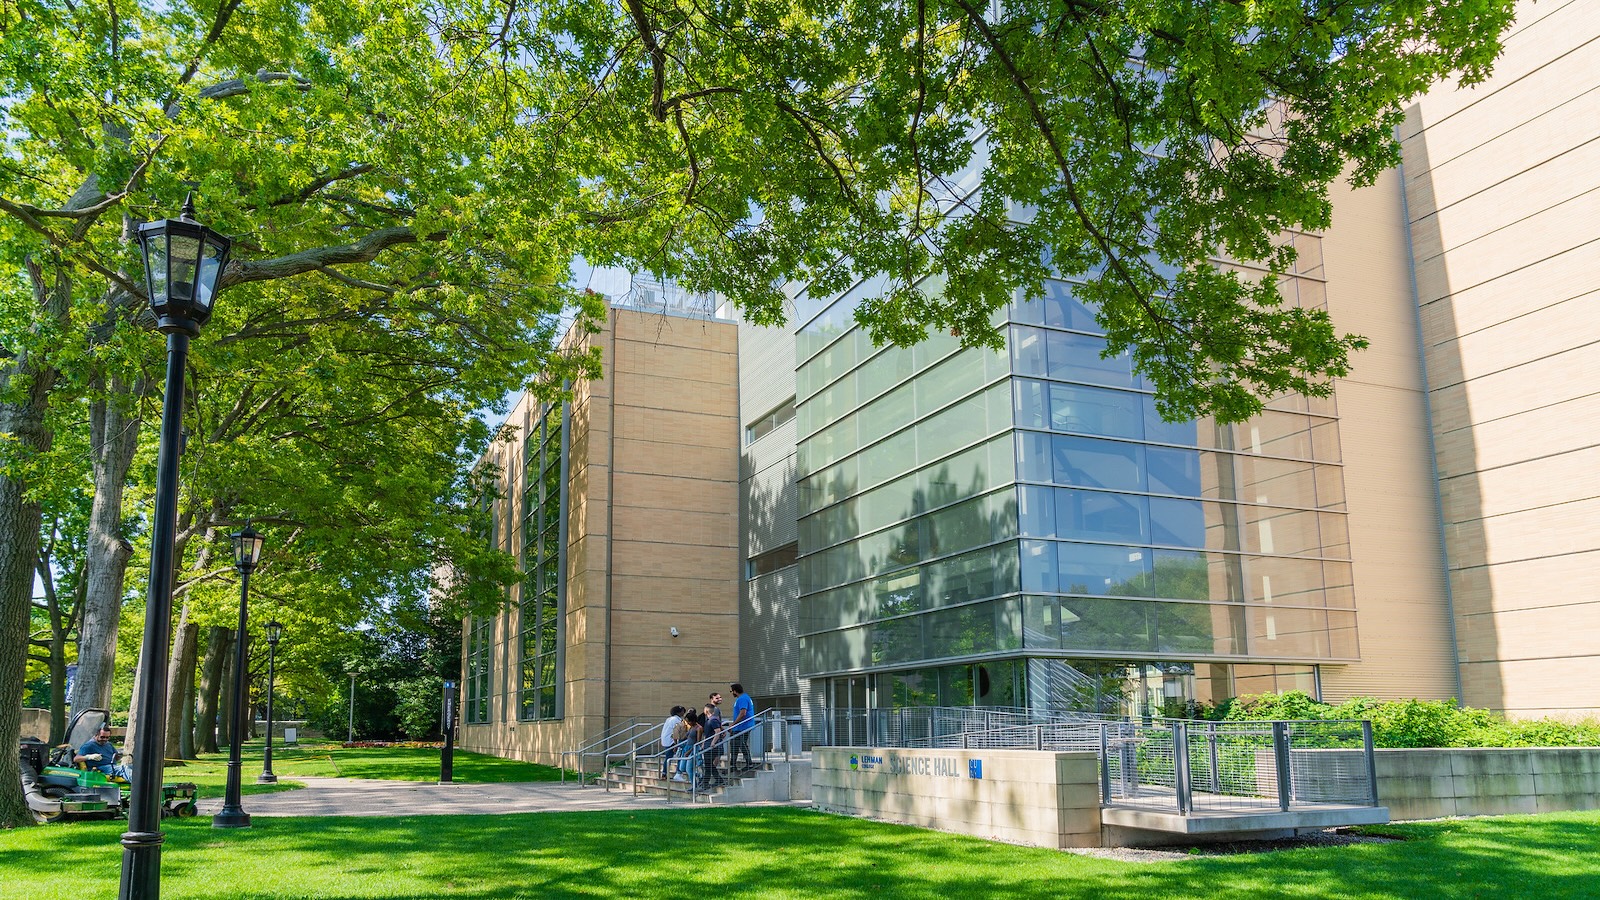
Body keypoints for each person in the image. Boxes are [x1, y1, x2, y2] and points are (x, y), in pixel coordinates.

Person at [729, 682, 756, 772]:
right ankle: (732, 765)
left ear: (735, 691)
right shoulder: (742, 698)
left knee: (741, 743)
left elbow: (743, 713)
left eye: (731, 691)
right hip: (739, 726)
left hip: (744, 726)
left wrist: (733, 724)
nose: (732, 693)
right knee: (734, 744)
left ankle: (749, 763)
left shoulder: (742, 699)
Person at [699, 703, 726, 788]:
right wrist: (703, 744)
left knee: (708, 765)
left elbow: (717, 732)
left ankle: (706, 783)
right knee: (709, 765)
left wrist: (713, 742)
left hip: (712, 746)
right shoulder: (709, 720)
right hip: (708, 745)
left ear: (706, 711)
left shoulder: (713, 720)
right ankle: (717, 780)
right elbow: (706, 735)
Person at [659, 706, 686, 778]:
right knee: (678, 756)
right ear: (678, 712)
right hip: (671, 741)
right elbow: (676, 732)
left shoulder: (669, 719)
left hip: (666, 740)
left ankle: (664, 773)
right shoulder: (676, 720)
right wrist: (676, 744)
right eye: (682, 711)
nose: (683, 713)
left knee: (668, 757)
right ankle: (677, 773)